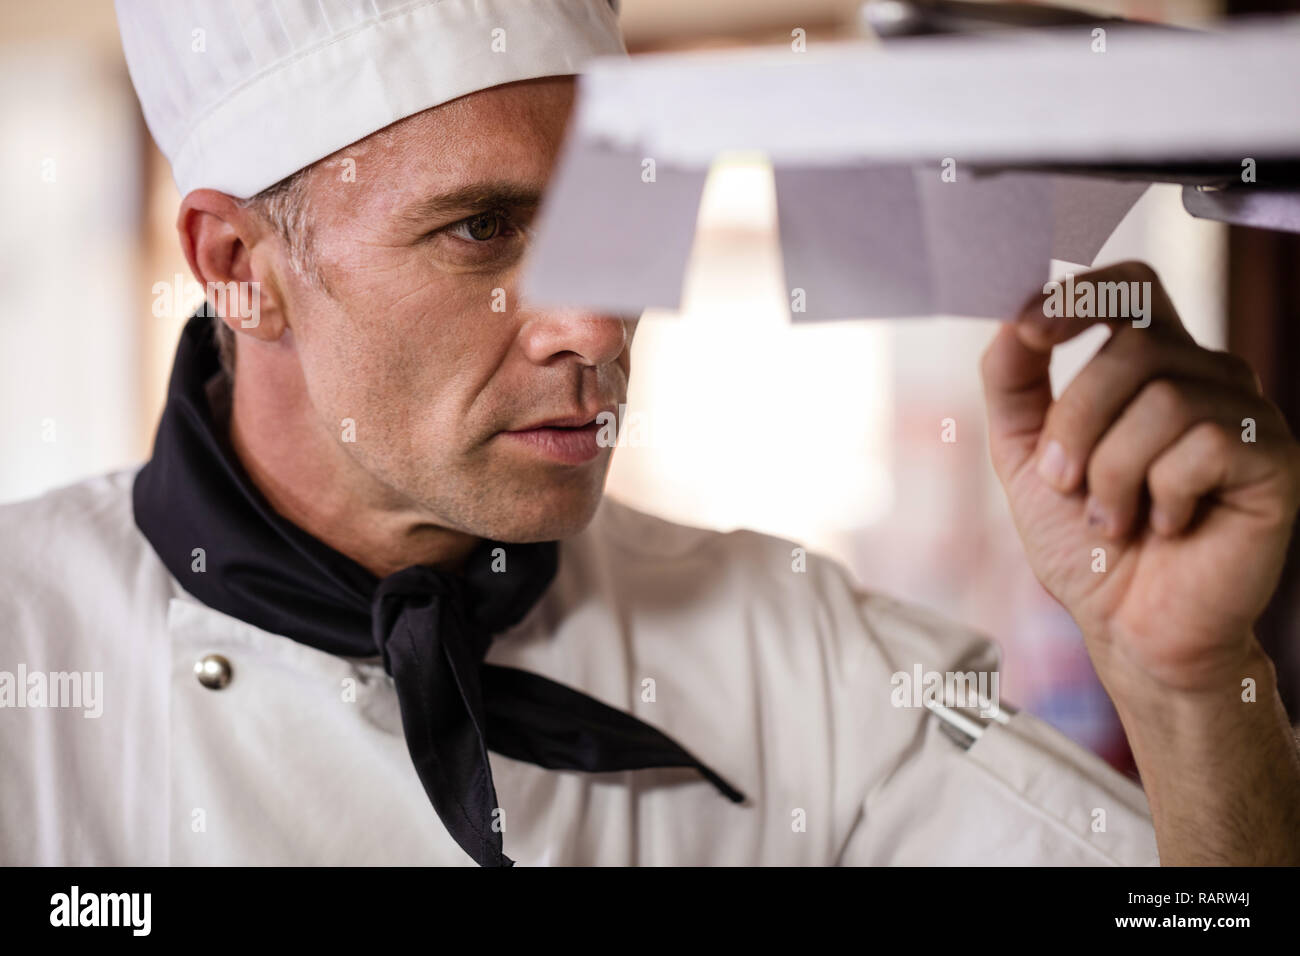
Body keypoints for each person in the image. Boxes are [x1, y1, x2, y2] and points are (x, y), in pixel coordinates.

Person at [2, 0, 1297, 867]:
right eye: (484, 229)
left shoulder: (808, 662)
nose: (596, 317)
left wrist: (1186, 687)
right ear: (235, 266)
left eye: (610, 213)